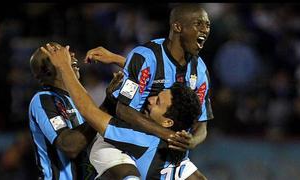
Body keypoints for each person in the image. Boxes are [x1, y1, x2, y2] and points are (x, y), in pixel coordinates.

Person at [40, 43, 207, 179]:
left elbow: (88, 110)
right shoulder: (179, 152)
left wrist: (64, 67)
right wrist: (117, 59)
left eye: (157, 101)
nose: (149, 98)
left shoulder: (141, 138)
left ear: (167, 122)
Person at [84, 3, 213, 178]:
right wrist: (168, 135)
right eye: (199, 24)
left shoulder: (200, 71)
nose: (205, 29)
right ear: (177, 26)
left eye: (208, 25)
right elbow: (124, 110)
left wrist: (192, 141)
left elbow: (201, 123)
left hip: (162, 149)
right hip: (122, 142)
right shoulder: (146, 56)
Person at [28, 42, 97, 180]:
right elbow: (69, 146)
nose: (71, 54)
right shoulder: (42, 100)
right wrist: (104, 109)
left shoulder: (78, 100)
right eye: (60, 53)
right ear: (47, 69)